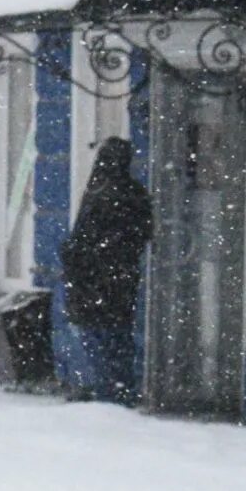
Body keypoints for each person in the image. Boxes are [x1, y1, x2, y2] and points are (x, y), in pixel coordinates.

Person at [62, 136, 153, 405]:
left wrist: (75, 262)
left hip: (92, 285)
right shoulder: (136, 194)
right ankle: (121, 390)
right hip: (121, 283)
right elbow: (145, 232)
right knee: (119, 339)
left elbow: (81, 240)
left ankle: (106, 395)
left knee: (96, 342)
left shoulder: (98, 193)